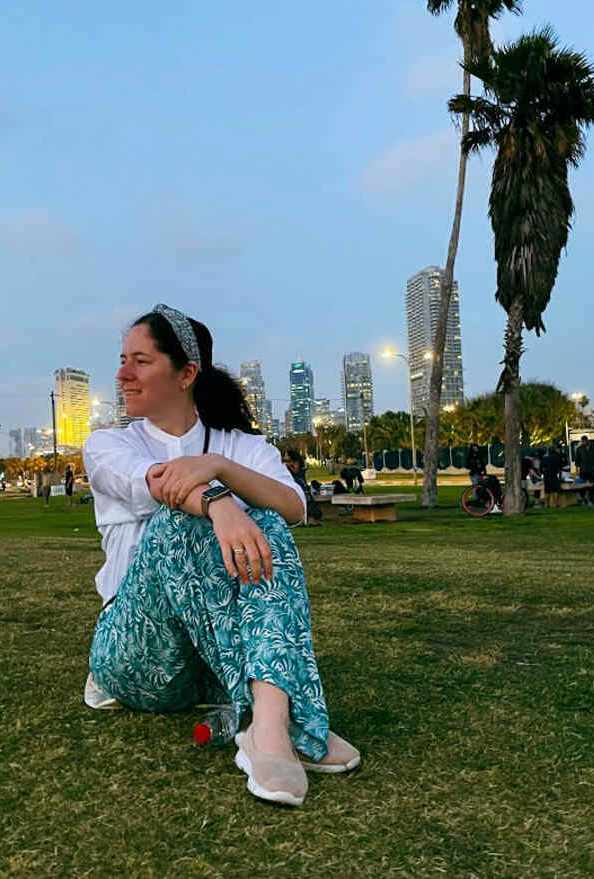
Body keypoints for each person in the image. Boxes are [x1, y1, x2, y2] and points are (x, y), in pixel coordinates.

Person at [83, 304, 359, 807]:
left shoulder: (238, 446)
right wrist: (220, 502)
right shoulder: (107, 445)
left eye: (140, 361)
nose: (122, 374)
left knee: (270, 519)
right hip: (138, 657)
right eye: (123, 360)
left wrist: (217, 467)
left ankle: (269, 726)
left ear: (186, 373)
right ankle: (290, 725)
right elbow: (161, 485)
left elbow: (295, 505)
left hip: (215, 663)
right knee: (180, 518)